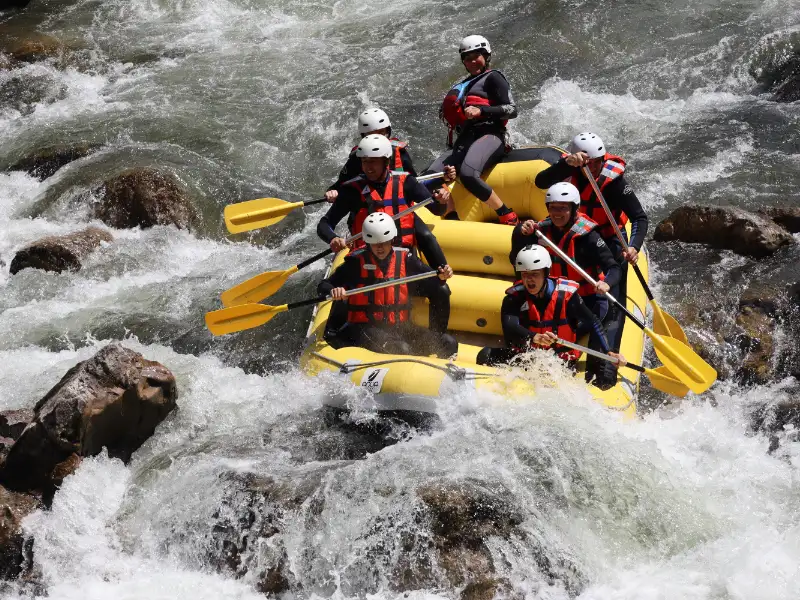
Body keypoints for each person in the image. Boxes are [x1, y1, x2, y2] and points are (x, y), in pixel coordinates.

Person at [476, 245, 626, 389]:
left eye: (535, 274)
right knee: (485, 354)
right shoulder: (513, 298)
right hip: (529, 356)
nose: (529, 280)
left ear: (546, 273)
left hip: (560, 361)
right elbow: (510, 327)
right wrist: (535, 337)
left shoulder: (567, 296)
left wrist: (608, 351)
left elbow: (593, 322)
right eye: (525, 274)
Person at [318, 212, 458, 358]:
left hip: (400, 327)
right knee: (402, 349)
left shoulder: (406, 259)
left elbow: (434, 278)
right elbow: (323, 286)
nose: (380, 247)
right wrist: (334, 290)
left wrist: (442, 275)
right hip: (364, 329)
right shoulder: (355, 263)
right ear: (367, 242)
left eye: (384, 242)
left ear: (392, 239)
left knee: (448, 343)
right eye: (375, 243)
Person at [317, 135, 449, 271]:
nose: (368, 167)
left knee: (427, 240)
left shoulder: (407, 182)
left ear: (386, 161)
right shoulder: (352, 191)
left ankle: (442, 272)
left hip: (403, 258)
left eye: (373, 161)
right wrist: (333, 238)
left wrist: (442, 202)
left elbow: (438, 210)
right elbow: (324, 223)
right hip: (366, 261)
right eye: (365, 161)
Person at [430, 35, 519, 225]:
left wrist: (482, 110)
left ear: (486, 56)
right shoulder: (463, 86)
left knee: (468, 174)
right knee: (430, 177)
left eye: (476, 56)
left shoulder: (494, 77)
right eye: (467, 58)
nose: (472, 62)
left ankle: (507, 215)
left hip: (491, 135)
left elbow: (512, 110)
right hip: (466, 138)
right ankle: (452, 217)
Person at [509, 182, 621, 322]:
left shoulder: (588, 237)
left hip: (586, 299)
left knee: (584, 327)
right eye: (553, 208)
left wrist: (606, 283)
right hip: (554, 296)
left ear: (574, 209)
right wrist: (520, 233)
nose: (557, 213)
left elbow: (614, 267)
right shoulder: (540, 232)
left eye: (563, 208)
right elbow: (515, 260)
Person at [534, 132, 648, 263]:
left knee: (617, 266)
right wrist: (566, 163)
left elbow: (639, 217)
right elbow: (540, 182)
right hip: (578, 234)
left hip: (609, 237)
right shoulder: (568, 168)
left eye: (597, 161)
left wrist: (634, 247)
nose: (593, 167)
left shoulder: (614, 182)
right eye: (588, 162)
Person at [325, 108, 455, 203]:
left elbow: (415, 183)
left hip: (398, 206)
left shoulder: (400, 153)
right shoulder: (357, 157)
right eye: (372, 134)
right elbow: (339, 185)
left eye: (382, 132)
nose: (378, 138)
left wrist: (443, 178)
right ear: (364, 136)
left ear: (388, 131)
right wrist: (332, 192)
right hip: (368, 210)